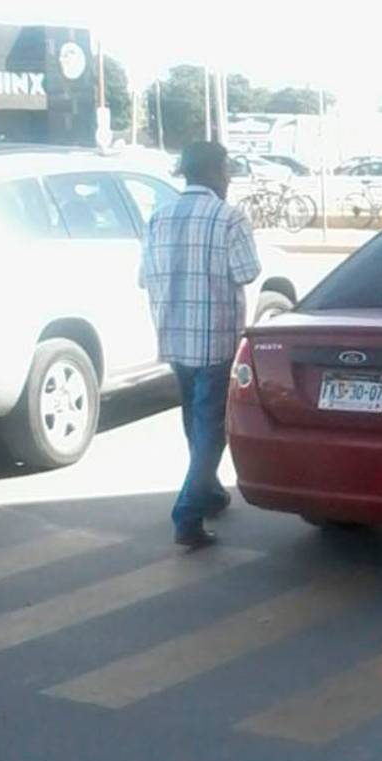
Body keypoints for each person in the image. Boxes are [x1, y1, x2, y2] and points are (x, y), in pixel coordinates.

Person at [139, 141, 261, 549]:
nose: (228, 177)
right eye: (226, 169)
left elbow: (145, 276)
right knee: (211, 428)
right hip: (214, 339)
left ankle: (207, 492)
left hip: (173, 335)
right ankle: (188, 514)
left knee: (194, 420)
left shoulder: (159, 216)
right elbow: (247, 271)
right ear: (212, 171)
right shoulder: (228, 218)